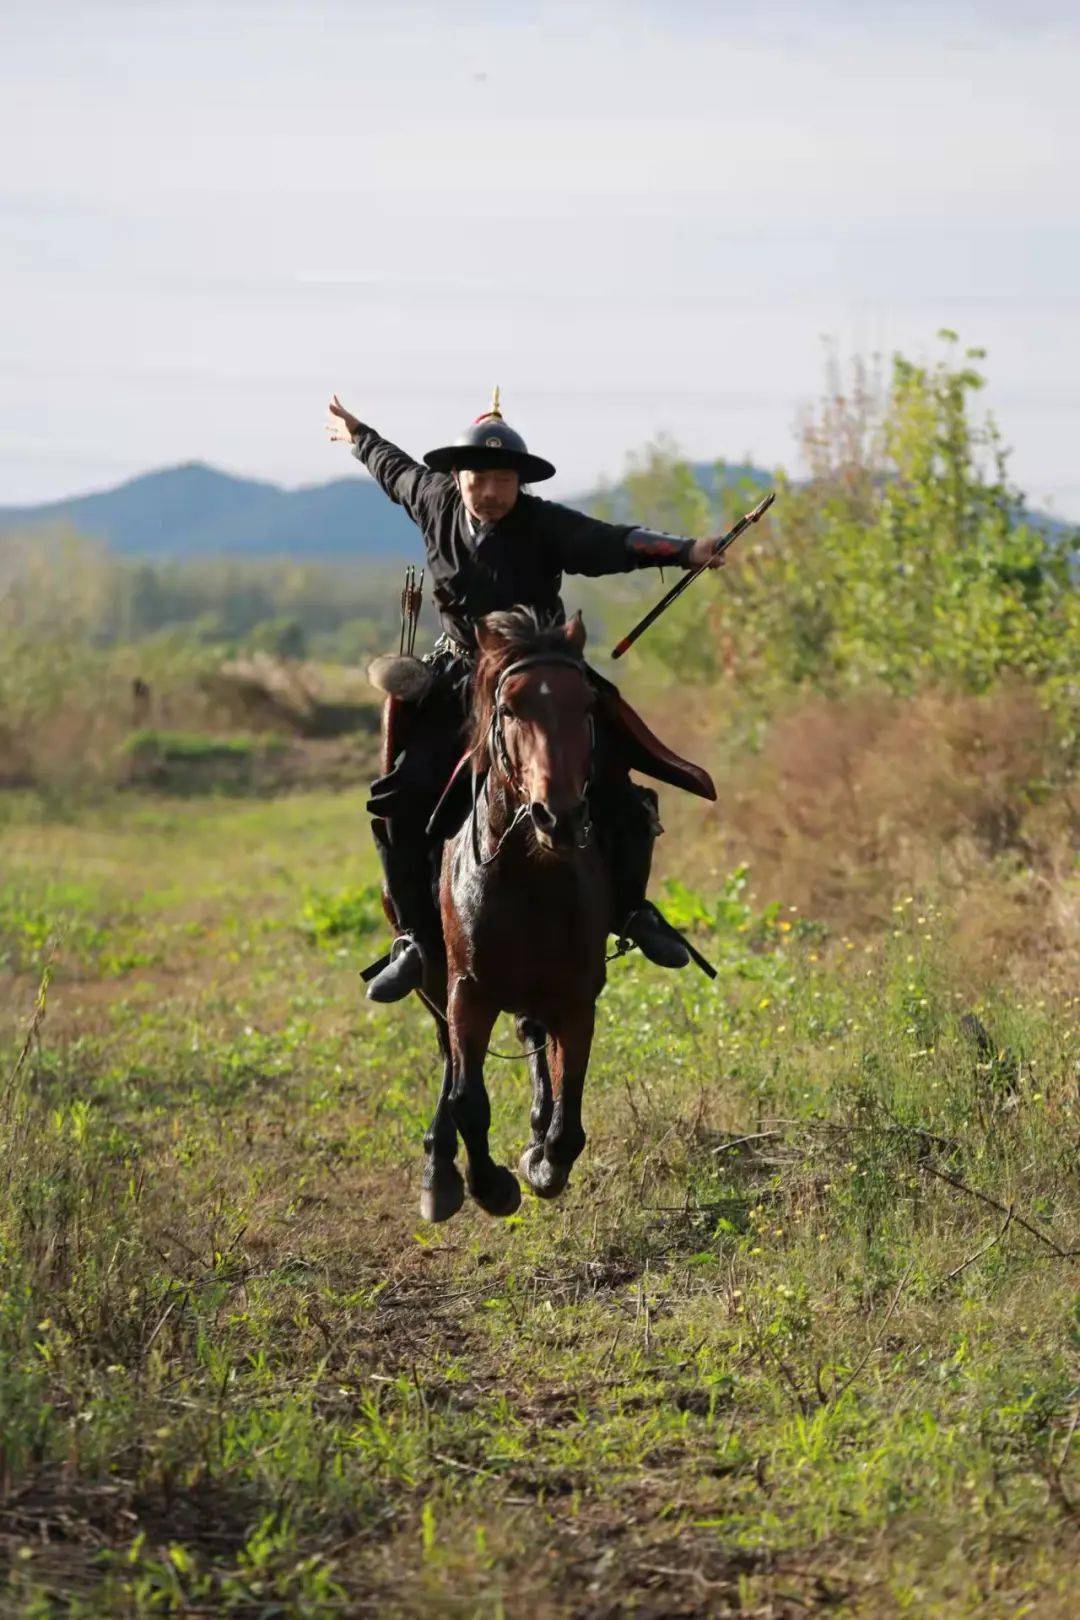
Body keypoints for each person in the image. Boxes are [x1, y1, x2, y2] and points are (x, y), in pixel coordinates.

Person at [327, 388, 725, 1003]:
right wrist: (356, 435)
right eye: (479, 479)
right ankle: (412, 940)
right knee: (399, 802)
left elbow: (612, 542)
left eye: (504, 481)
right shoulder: (430, 499)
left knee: (615, 786)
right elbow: (391, 466)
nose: (491, 493)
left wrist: (687, 550)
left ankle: (632, 911)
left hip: (542, 683)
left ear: (519, 483)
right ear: (458, 476)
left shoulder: (544, 524)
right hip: (459, 684)